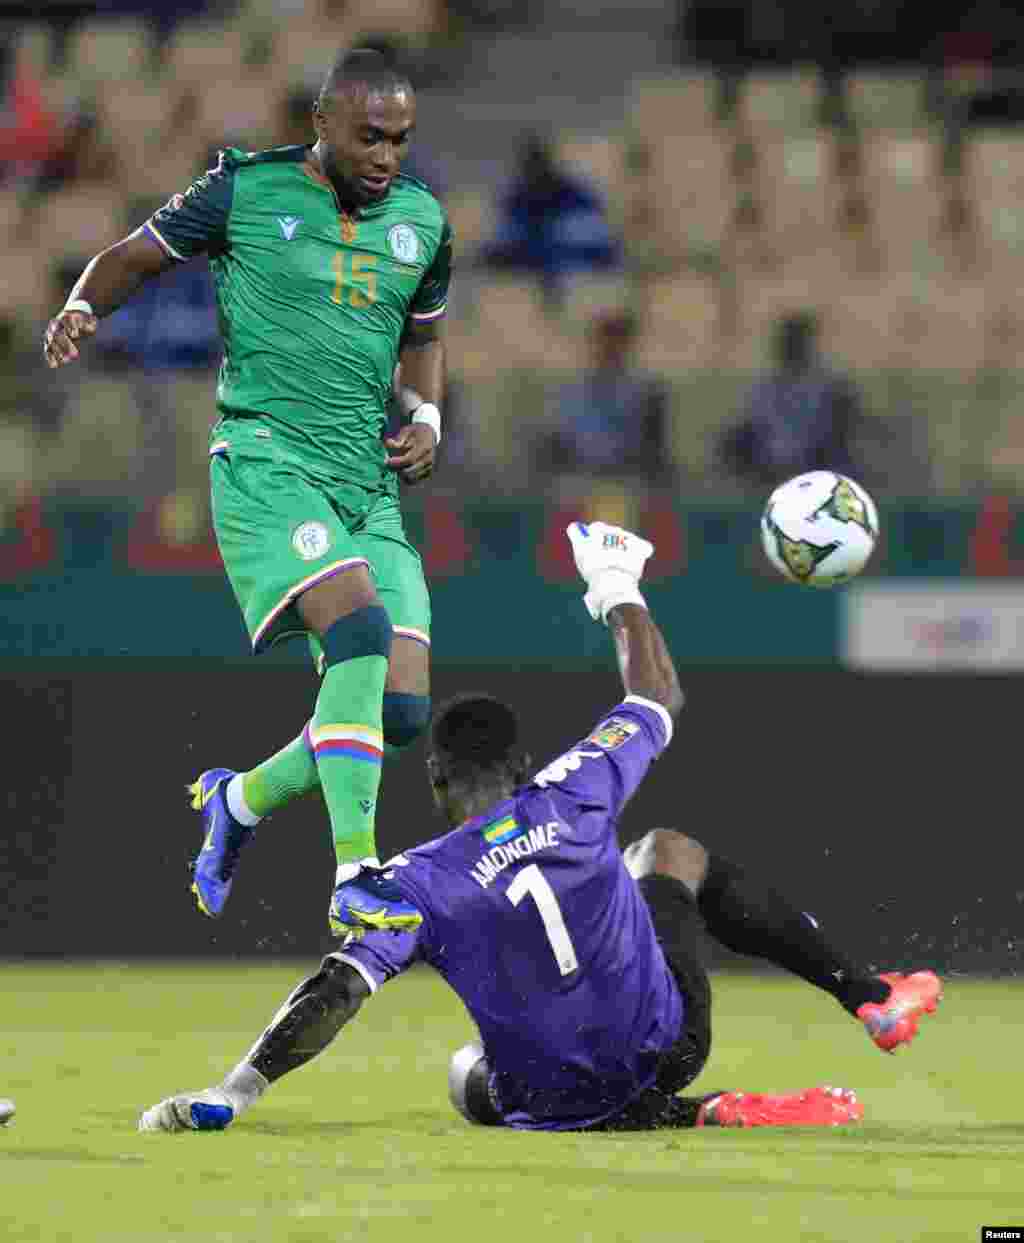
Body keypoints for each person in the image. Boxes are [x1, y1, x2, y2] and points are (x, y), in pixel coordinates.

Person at [139, 521, 942, 1135]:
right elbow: (657, 696)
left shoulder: (416, 880)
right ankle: (866, 995)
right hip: (666, 1045)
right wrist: (615, 579)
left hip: (544, 1096)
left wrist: (235, 1088)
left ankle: (696, 1112)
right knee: (667, 851)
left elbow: (337, 990)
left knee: (464, 1078)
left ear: (436, 782)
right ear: (521, 769)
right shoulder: (574, 788)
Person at [42, 49, 453, 938]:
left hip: (365, 482)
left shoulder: (424, 220)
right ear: (324, 125)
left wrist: (426, 415)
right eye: (371, 137)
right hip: (269, 463)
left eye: (401, 139)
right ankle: (356, 872)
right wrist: (83, 305)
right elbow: (133, 254)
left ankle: (240, 802)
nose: (388, 156)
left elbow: (423, 335)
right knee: (358, 626)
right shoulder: (247, 191)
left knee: (401, 708)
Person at [717, 312, 864, 490]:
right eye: (788, 341)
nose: (791, 347)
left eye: (796, 341)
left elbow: (840, 438)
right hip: (769, 472)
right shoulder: (765, 388)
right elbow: (748, 434)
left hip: (817, 472)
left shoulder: (832, 388)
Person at [481, 132, 620, 310]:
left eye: (538, 164)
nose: (535, 172)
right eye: (531, 165)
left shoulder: (574, 196)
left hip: (577, 272)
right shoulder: (517, 201)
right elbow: (501, 243)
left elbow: (598, 238)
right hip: (534, 269)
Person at [535, 310, 669, 482]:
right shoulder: (569, 392)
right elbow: (553, 448)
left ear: (628, 345)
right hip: (579, 481)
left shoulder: (648, 393)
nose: (611, 348)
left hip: (630, 482)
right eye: (606, 340)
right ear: (595, 343)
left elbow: (656, 456)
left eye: (618, 341)